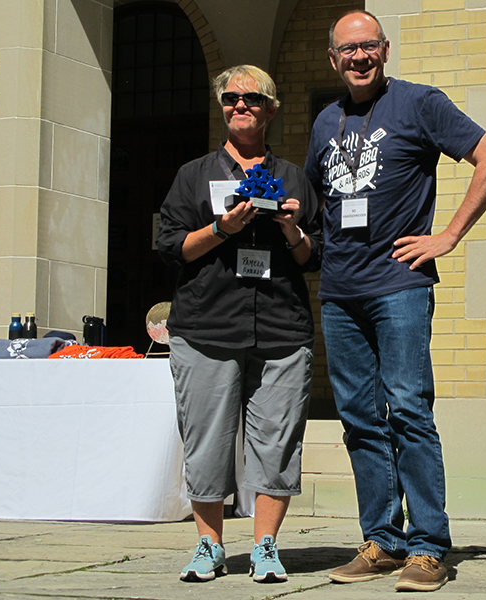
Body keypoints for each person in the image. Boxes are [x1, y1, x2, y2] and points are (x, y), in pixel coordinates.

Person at [304, 10, 486, 593]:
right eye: (348, 50)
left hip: (399, 285)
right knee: (360, 420)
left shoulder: (421, 104)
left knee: (409, 410)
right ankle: (383, 540)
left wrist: (447, 236)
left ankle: (427, 546)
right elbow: (321, 206)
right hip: (340, 292)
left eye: (369, 46)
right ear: (333, 59)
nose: (359, 57)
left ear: (386, 50)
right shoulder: (325, 121)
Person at [157, 64, 323, 584]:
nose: (240, 106)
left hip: (280, 329)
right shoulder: (193, 175)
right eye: (230, 99)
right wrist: (221, 229)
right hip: (206, 327)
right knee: (206, 441)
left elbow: (312, 257)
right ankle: (209, 546)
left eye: (251, 99)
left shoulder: (295, 177)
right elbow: (170, 248)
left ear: (271, 109)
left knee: (277, 441)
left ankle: (266, 547)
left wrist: (292, 228)